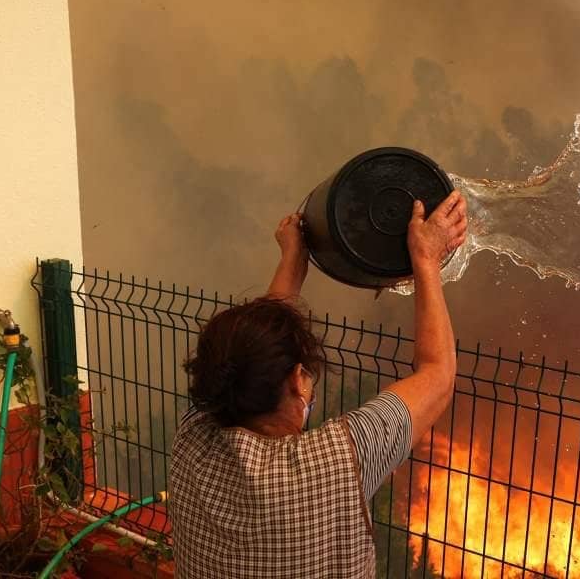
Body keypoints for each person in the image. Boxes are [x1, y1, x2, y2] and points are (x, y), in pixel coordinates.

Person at [169, 191, 468, 578]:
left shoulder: (193, 437)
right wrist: (426, 258)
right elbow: (437, 373)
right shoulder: (340, 460)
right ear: (296, 382)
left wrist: (292, 260)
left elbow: (250, 351)